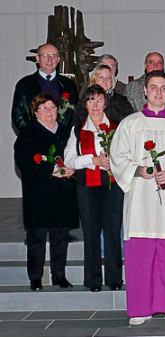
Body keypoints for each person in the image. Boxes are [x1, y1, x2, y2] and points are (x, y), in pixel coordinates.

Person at [110, 70, 165, 326]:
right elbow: (117, 158)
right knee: (142, 254)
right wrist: (139, 170)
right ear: (145, 91)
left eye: (163, 88)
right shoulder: (131, 124)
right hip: (140, 199)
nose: (158, 92)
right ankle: (140, 307)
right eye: (153, 87)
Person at [14, 94, 78, 291]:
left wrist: (72, 168)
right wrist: (50, 171)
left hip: (62, 193)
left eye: (52, 108)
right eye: (44, 108)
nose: (49, 112)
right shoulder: (27, 133)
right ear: (35, 112)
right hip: (39, 193)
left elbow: (76, 154)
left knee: (61, 236)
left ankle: (59, 275)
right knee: (37, 238)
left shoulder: (67, 132)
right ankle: (35, 277)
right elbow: (23, 162)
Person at [64, 85, 123, 292]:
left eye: (99, 100)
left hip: (113, 185)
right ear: (85, 104)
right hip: (87, 186)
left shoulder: (117, 128)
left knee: (113, 230)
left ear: (106, 103)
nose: (95, 105)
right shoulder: (78, 131)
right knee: (91, 232)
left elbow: (128, 156)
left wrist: (113, 162)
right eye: (90, 101)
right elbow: (69, 160)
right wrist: (93, 160)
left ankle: (115, 279)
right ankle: (93, 279)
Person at [12, 43, 79, 132]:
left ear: (58, 59)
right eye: (45, 55)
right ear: (37, 59)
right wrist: (31, 134)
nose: (49, 59)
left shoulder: (69, 85)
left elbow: (76, 113)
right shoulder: (25, 84)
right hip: (34, 139)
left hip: (63, 139)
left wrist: (66, 133)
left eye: (53, 56)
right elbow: (18, 114)